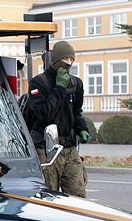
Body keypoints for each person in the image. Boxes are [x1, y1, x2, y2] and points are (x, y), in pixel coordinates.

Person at [25, 40, 89, 198]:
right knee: (49, 196)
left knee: (78, 195)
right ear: (55, 60)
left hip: (68, 147)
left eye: (71, 60)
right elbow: (45, 114)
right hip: (46, 149)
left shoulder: (75, 84)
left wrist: (82, 129)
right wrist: (59, 87)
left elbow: (76, 113)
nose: (68, 63)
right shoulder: (38, 83)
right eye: (65, 59)